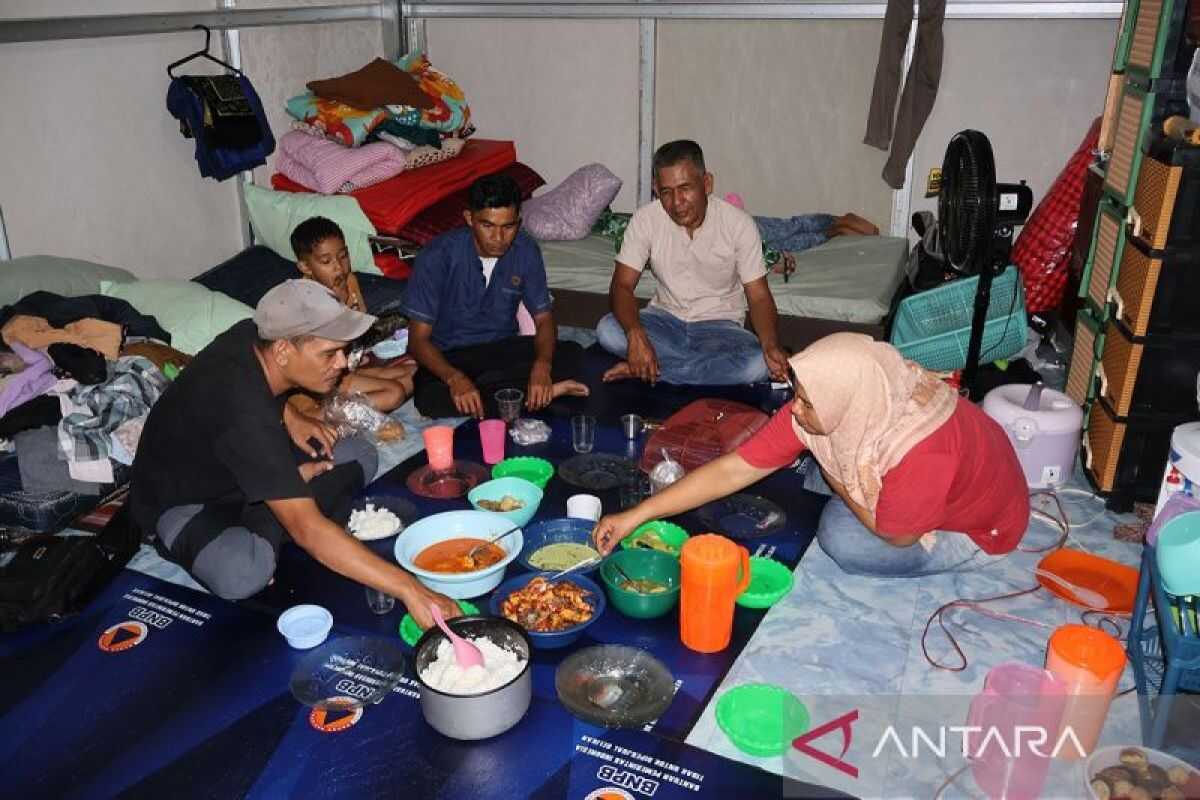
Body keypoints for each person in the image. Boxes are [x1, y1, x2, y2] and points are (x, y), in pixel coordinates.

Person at [130, 279, 459, 628]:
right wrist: (411, 590)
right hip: (185, 503)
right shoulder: (244, 417)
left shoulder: (251, 334)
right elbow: (308, 530)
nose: (344, 364)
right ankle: (269, 510)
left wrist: (292, 414)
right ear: (284, 351)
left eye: (343, 351)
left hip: (240, 464)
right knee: (243, 574)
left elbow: (251, 385)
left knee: (358, 452)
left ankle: (277, 500)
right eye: (329, 354)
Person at [593, 333, 1030, 577]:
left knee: (840, 533)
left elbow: (898, 537)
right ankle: (857, 481)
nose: (794, 409)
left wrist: (837, 475)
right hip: (931, 473)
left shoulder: (920, 449)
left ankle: (862, 488)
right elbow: (733, 469)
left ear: (845, 403)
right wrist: (637, 516)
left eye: (805, 402)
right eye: (797, 396)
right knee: (806, 460)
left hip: (980, 529)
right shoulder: (863, 392)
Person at [596, 140, 788, 386]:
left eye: (685, 188)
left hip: (719, 329)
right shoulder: (646, 220)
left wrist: (770, 344)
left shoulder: (738, 224)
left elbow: (759, 297)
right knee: (607, 330)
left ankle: (653, 369)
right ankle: (690, 369)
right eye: (666, 192)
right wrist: (635, 335)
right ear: (656, 189)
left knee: (757, 364)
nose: (676, 202)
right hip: (663, 320)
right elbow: (621, 286)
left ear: (707, 183)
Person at [403, 174, 588, 419]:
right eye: (488, 226)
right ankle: (531, 396)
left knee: (572, 354)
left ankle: (503, 396)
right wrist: (455, 378)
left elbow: (544, 319)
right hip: (451, 356)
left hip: (502, 349)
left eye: (508, 227)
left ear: (519, 223)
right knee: (429, 399)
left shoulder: (526, 251)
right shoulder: (436, 256)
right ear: (469, 218)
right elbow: (417, 341)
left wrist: (542, 367)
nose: (499, 238)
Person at [289, 216, 416, 413]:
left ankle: (338, 404)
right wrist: (338, 306)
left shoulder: (349, 281)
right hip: (320, 380)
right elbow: (324, 356)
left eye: (343, 256)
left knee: (415, 372)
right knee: (395, 393)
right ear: (305, 267)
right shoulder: (305, 301)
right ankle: (322, 415)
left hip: (347, 370)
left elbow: (361, 326)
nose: (338, 267)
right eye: (326, 261)